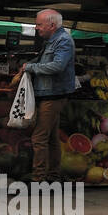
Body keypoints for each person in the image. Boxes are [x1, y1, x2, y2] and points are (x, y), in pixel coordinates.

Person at [12, 9, 77, 181]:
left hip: (53, 95)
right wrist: (28, 64)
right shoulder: (51, 40)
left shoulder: (63, 41)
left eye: (39, 24)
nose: (36, 27)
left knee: (39, 138)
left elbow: (57, 66)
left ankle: (38, 179)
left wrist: (30, 68)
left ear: (52, 25)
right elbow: (45, 62)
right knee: (52, 138)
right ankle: (53, 176)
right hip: (49, 94)